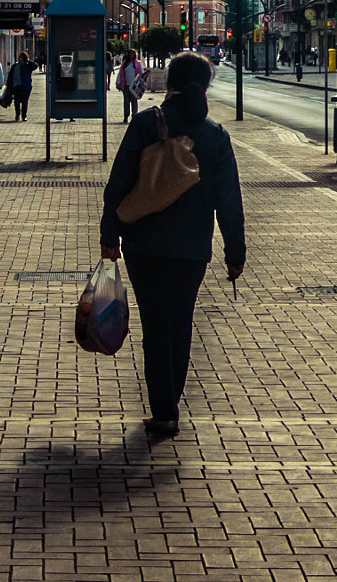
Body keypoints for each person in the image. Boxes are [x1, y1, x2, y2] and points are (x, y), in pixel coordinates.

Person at [99, 52, 246, 438]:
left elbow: (119, 183)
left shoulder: (148, 123)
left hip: (143, 245)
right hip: (192, 248)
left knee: (155, 325)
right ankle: (170, 405)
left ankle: (163, 408)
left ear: (169, 82)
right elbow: (229, 199)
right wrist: (235, 253)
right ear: (206, 86)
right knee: (180, 323)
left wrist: (109, 236)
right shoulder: (215, 134)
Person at [117, 49, 145, 122]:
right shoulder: (124, 63)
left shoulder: (138, 64)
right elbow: (120, 74)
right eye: (130, 54)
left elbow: (142, 73)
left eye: (133, 54)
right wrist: (118, 83)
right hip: (126, 85)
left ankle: (134, 115)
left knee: (134, 101)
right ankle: (126, 115)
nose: (131, 55)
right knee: (126, 101)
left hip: (135, 86)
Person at [8, 51, 36, 121]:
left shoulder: (28, 66)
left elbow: (35, 66)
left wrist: (28, 61)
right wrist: (9, 85)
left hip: (26, 87)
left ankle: (24, 115)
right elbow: (10, 76)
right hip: (16, 86)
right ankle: (17, 114)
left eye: (22, 58)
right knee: (17, 102)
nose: (20, 59)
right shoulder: (15, 66)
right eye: (20, 58)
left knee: (24, 102)